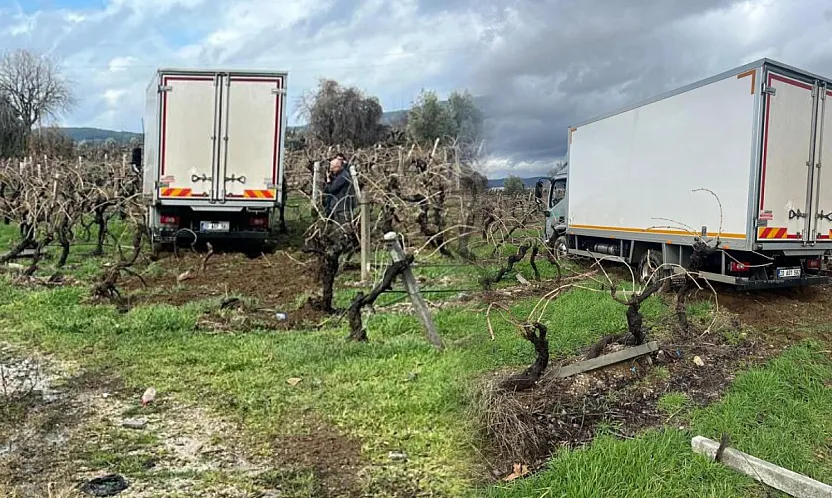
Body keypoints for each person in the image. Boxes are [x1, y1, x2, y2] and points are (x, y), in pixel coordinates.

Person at [322, 153, 356, 223]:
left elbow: (332, 189)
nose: (331, 171)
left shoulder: (343, 177)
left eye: (332, 168)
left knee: (344, 229)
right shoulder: (339, 175)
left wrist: (329, 181)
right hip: (338, 208)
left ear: (337, 167)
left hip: (342, 208)